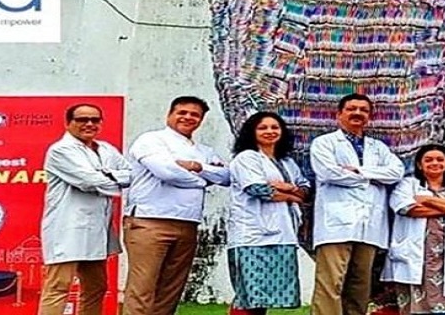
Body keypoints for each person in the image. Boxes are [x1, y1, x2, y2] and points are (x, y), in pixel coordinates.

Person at [124, 96, 231, 315]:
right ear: (170, 114)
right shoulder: (151, 140)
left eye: (195, 115)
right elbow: (167, 172)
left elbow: (226, 176)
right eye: (182, 112)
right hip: (150, 222)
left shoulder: (204, 151)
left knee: (171, 290)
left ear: (201, 120)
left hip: (188, 224)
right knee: (142, 288)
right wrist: (202, 180)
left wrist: (196, 166)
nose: (188, 117)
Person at [311, 92, 405, 315]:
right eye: (352, 109)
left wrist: (361, 171)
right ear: (339, 114)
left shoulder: (378, 147)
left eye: (363, 110)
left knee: (360, 285)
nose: (357, 113)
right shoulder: (324, 143)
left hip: (369, 225)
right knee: (330, 283)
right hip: (335, 224)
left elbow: (396, 172)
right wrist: (373, 177)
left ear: (370, 117)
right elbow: (329, 173)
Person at [38, 103, 130, 315]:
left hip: (98, 229)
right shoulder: (61, 150)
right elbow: (88, 181)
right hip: (68, 228)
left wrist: (104, 176)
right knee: (58, 286)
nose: (89, 124)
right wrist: (110, 178)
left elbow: (130, 175)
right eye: (82, 119)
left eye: (95, 120)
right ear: (68, 123)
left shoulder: (106, 149)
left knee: (96, 287)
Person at [227, 111, 310, 315]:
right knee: (248, 295)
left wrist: (285, 187)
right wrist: (291, 194)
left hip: (283, 235)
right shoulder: (247, 158)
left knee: (265, 296)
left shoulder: (287, 163)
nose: (270, 131)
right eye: (263, 127)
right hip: (252, 237)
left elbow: (305, 189)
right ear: (251, 132)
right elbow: (258, 190)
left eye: (275, 127)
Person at [383, 143, 445, 315]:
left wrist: (424, 200)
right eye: (428, 160)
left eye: (440, 159)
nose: (435, 163)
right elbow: (409, 209)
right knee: (416, 306)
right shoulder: (407, 185)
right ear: (419, 164)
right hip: (417, 257)